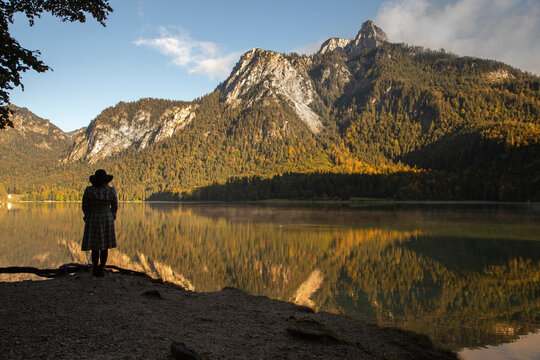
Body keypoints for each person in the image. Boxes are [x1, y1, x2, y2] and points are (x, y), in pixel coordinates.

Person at [81, 169, 118, 277]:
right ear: (106, 180)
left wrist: (88, 216)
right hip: (106, 217)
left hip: (93, 218)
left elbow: (84, 206)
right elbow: (115, 206)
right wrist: (112, 216)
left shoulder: (89, 190)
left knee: (94, 245)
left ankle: (95, 268)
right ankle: (102, 267)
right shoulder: (110, 191)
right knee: (104, 245)